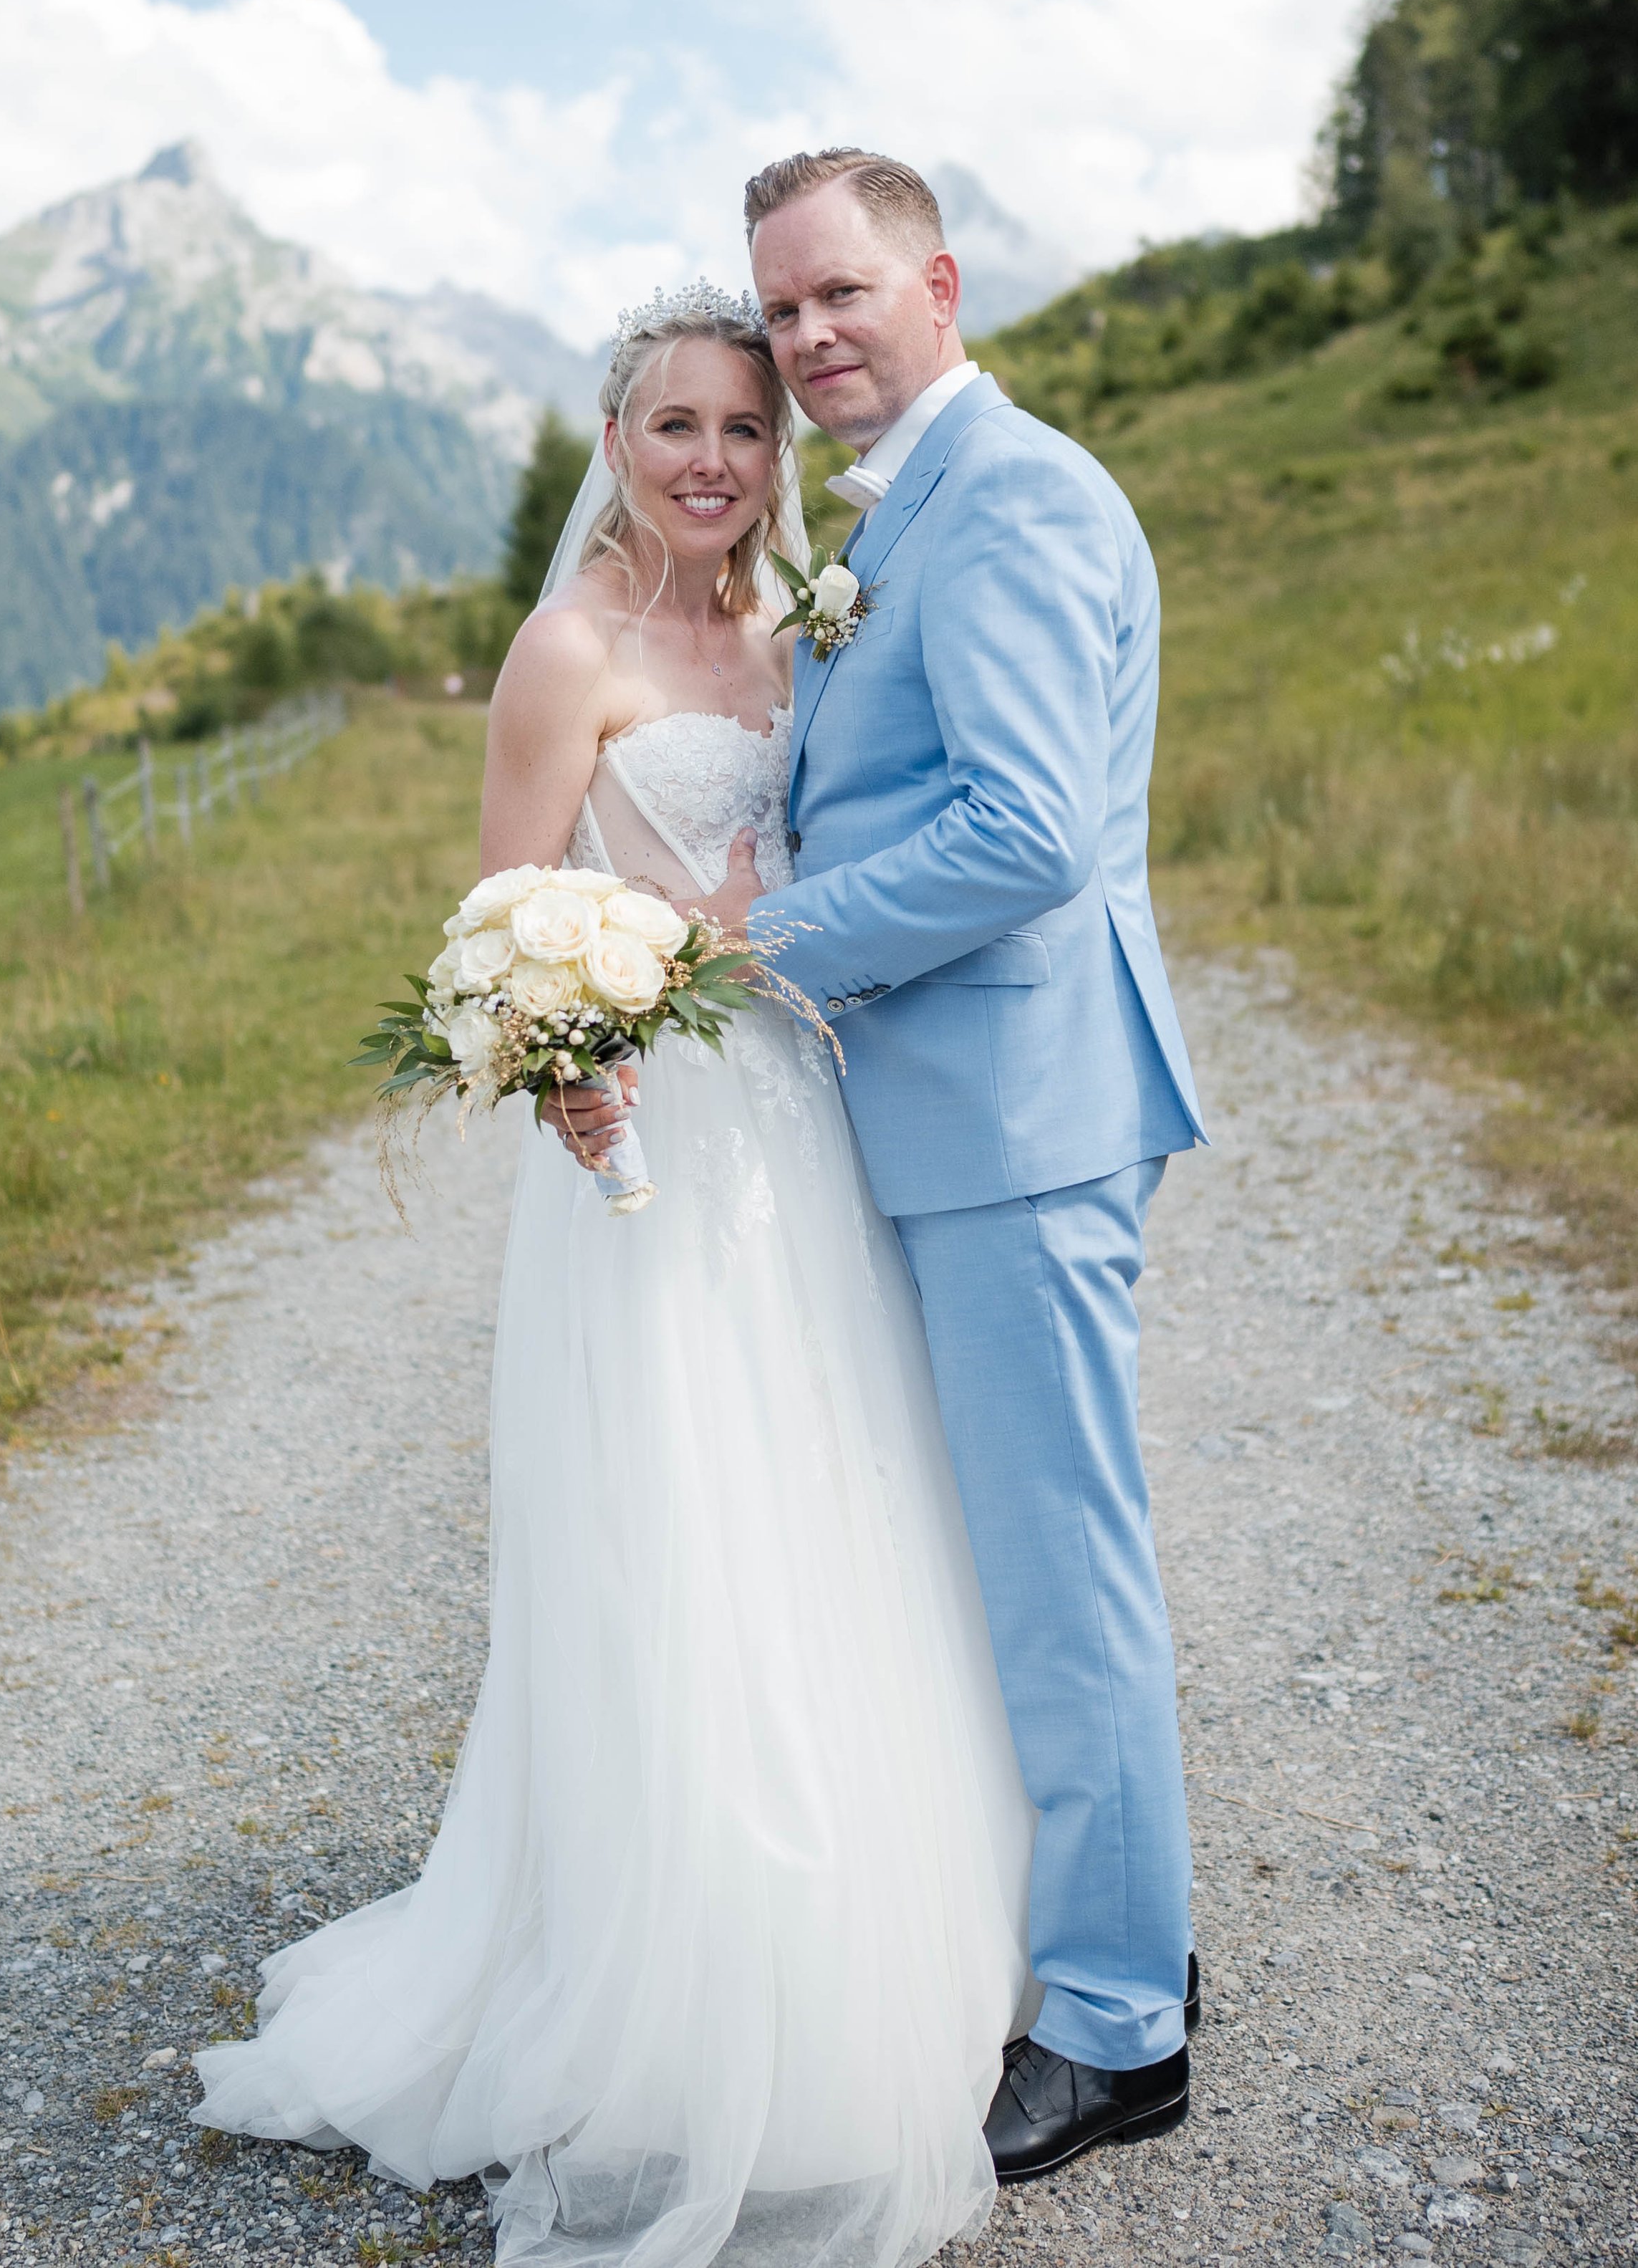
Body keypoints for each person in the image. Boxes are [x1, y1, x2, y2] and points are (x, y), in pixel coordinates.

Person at [192, 287, 1043, 2268]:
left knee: (847, 1513)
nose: (712, 462)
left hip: (812, 1139)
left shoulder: (802, 629)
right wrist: (570, 1073)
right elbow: (498, 929)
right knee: (678, 1537)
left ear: (778, 450)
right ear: (619, 438)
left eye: (744, 429)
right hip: (654, 1155)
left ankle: (870, 1938)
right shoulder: (565, 649)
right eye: (674, 426)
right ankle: (669, 1990)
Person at [695, 148, 1208, 2181]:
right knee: (1008, 1554)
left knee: (1056, 1562)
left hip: (1012, 1109)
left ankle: (1114, 2024)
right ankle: (1126, 1938)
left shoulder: (1008, 497)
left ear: (935, 279)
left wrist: (758, 942)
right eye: (781, 307)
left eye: (839, 295)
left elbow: (1020, 836)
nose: (809, 335)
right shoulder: (900, 501)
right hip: (959, 1104)